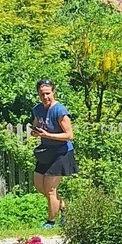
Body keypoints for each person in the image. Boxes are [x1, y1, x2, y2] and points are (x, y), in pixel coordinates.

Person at [30, 80, 77, 228]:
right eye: (42, 94)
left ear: (53, 92)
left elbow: (69, 135)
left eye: (48, 93)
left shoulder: (60, 111)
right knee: (39, 185)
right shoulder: (38, 109)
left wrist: (48, 135)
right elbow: (36, 125)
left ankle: (51, 222)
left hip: (61, 152)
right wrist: (35, 132)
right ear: (38, 94)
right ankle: (63, 207)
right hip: (46, 151)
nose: (45, 97)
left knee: (50, 189)